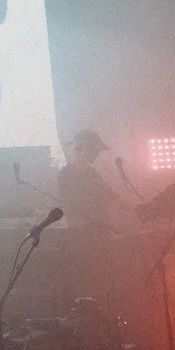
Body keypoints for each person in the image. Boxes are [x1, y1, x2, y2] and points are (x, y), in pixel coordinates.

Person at [56, 128, 128, 309]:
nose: (96, 155)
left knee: (103, 281)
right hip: (81, 238)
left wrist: (133, 210)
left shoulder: (93, 173)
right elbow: (72, 205)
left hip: (100, 236)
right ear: (80, 149)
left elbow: (109, 196)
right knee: (86, 280)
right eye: (93, 150)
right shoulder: (67, 175)